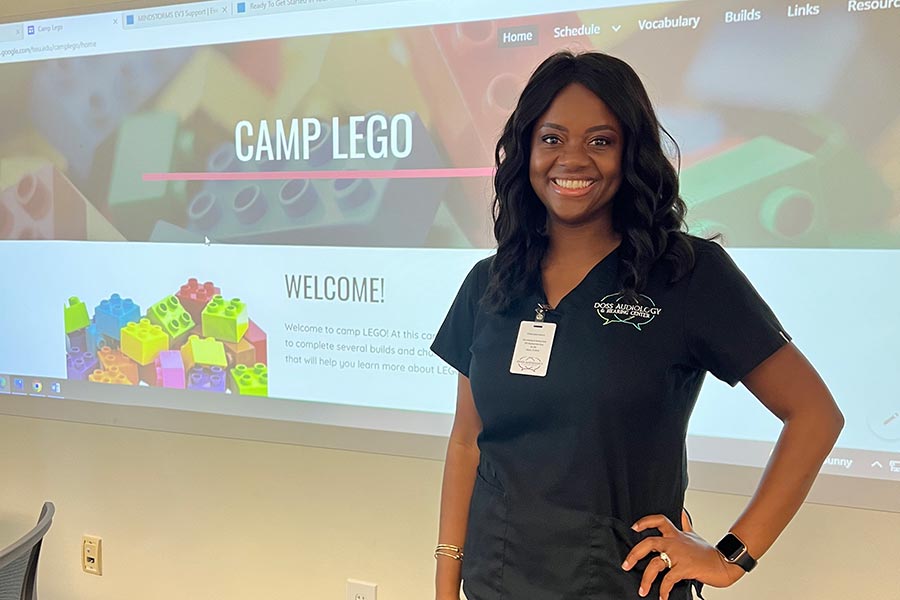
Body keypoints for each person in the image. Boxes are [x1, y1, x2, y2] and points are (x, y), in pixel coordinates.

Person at [429, 51, 844, 600]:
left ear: (631, 153)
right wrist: (446, 583)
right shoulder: (490, 283)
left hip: (622, 587)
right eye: (552, 138)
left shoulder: (687, 274)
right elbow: (468, 442)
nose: (572, 159)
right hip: (496, 583)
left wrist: (730, 558)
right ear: (527, 150)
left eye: (600, 141)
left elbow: (815, 415)